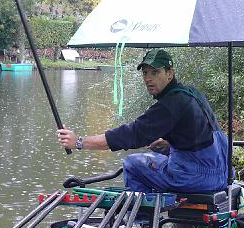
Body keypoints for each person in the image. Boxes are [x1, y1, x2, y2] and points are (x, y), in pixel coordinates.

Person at [56, 48, 230, 198]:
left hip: (197, 178)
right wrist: (169, 144)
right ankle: (183, 226)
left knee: (132, 164)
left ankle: (146, 226)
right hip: (224, 172)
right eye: (145, 73)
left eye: (155, 72)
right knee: (161, 158)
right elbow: (200, 135)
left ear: (170, 73)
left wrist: (79, 142)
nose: (148, 78)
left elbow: (131, 135)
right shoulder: (191, 93)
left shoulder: (170, 104)